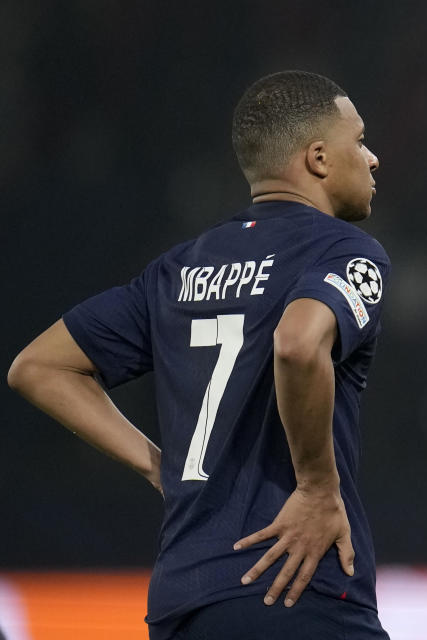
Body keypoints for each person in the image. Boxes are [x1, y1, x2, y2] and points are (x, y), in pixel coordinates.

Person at [7, 71, 391, 639]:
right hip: (297, 582)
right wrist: (316, 488)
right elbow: (298, 342)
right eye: (358, 140)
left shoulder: (180, 269)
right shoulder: (345, 251)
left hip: (183, 598)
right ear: (317, 158)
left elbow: (37, 367)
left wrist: (155, 463)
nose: (373, 157)